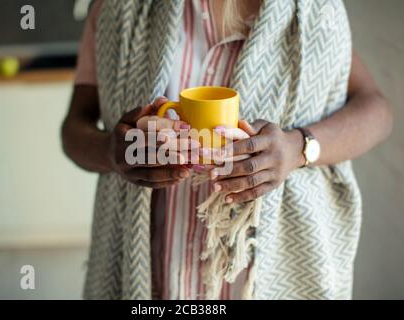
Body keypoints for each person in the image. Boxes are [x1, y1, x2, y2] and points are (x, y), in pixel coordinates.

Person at [62, 0, 393, 299]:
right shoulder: (116, 11)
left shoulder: (311, 13)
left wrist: (297, 147)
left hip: (270, 273)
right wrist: (113, 152)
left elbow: (377, 111)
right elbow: (74, 129)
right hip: (149, 275)